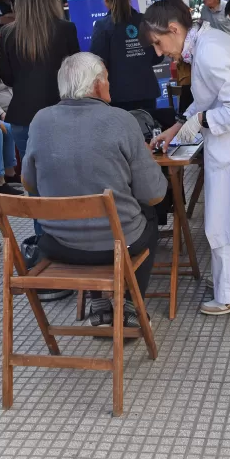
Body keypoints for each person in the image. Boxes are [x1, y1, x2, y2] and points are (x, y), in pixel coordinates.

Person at [146, 0, 230, 316]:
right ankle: (228, 285)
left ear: (174, 30)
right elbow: (206, 99)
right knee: (226, 217)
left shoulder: (208, 53)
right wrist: (178, 127)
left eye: (157, 42)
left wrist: (201, 120)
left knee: (229, 219)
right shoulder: (207, 45)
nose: (158, 51)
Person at [23, 53, 167, 326]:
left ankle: (99, 301)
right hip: (117, 245)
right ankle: (128, 303)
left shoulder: (40, 120)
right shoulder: (122, 121)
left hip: (57, 244)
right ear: (99, 85)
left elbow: (29, 184)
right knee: (148, 215)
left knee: (88, 214)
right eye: (108, 81)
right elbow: (154, 194)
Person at [0, 0, 79, 164]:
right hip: (59, 114)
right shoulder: (66, 29)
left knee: (30, 176)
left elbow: (7, 77)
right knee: (60, 173)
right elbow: (76, 72)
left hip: (21, 115)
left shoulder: (8, 33)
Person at [90, 0, 164, 119]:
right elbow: (157, 57)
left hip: (117, 96)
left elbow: (96, 64)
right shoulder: (145, 20)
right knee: (148, 138)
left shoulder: (103, 26)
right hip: (146, 92)